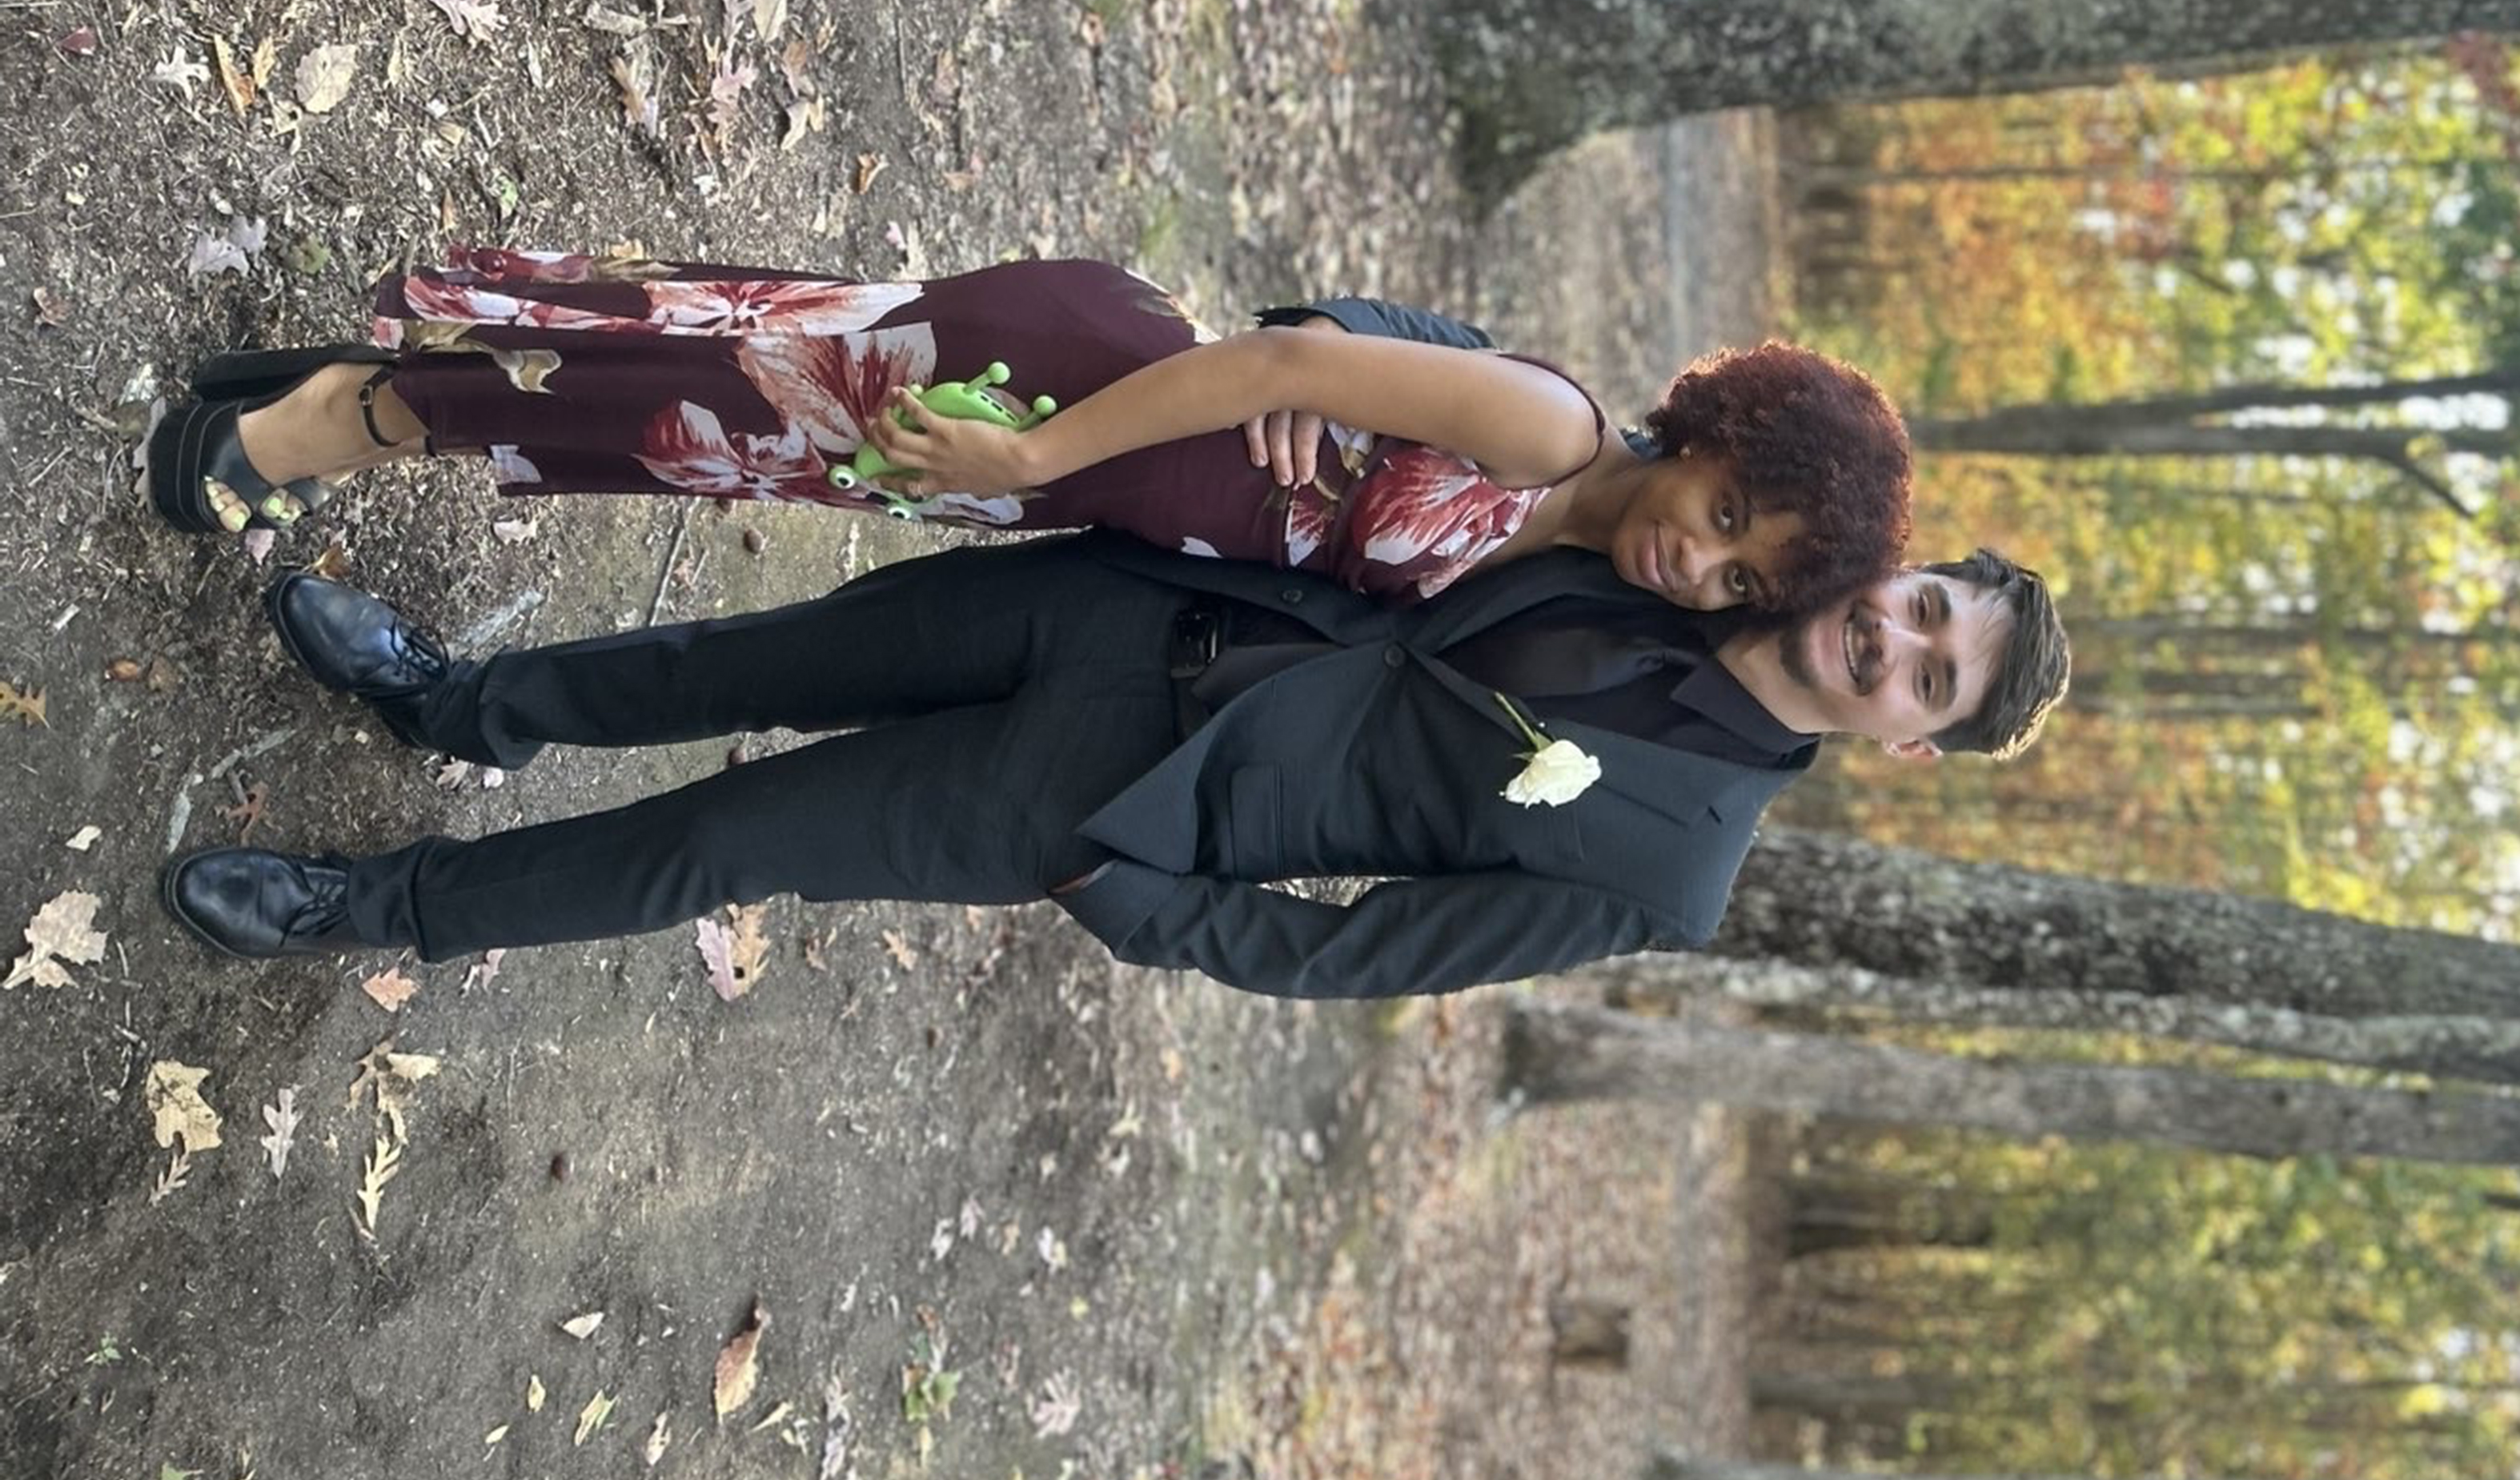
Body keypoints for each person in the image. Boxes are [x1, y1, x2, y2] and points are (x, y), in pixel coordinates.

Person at [161, 531, 2069, 997]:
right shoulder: (1683, 543)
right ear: (1901, 573)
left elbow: (1357, 955)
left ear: (1912, 741)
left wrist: (1132, 898)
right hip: (1112, 609)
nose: (1893, 642)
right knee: (736, 657)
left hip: (1103, 810)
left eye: (1930, 676)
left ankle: (366, 906)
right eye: (1924, 608)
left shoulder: (1672, 874)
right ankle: (453, 704)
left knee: (722, 841)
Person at [140, 251, 1914, 616]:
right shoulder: (1549, 431)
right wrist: (1032, 462)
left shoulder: (1554, 566)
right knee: (722, 403)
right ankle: (353, 419)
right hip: (1064, 400)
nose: (1701, 557)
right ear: (1711, 434)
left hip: (1063, 480)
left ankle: (396, 378)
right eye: (1730, 511)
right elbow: (1258, 362)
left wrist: (1033, 495)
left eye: (1740, 579)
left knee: (723, 407)